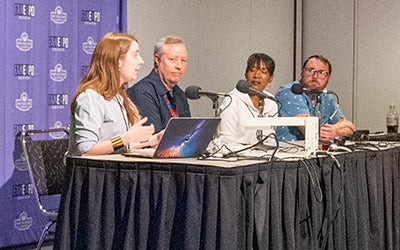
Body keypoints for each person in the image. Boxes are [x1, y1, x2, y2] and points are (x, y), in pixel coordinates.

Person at [68, 32, 162, 156]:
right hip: (92, 174)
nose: (141, 61)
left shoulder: (120, 97)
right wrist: (126, 138)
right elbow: (86, 150)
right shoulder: (90, 98)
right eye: (135, 55)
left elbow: (120, 147)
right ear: (117, 61)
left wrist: (154, 140)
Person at [275, 54, 355, 142]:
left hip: (314, 151)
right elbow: (311, 130)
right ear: (302, 73)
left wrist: (335, 130)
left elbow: (349, 128)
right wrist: (337, 128)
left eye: (321, 72)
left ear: (328, 78)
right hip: (286, 151)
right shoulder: (290, 91)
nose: (315, 76)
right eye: (310, 70)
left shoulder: (326, 95)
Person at [127, 36, 191, 133]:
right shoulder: (143, 92)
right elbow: (154, 135)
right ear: (157, 59)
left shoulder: (180, 94)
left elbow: (188, 132)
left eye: (183, 60)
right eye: (172, 59)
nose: (179, 66)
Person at [217, 53, 278, 148]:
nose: (257, 75)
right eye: (252, 70)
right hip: (235, 158)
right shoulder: (232, 100)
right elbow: (226, 140)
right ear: (245, 74)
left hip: (263, 157)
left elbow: (270, 139)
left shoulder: (271, 102)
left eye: (263, 72)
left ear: (270, 78)